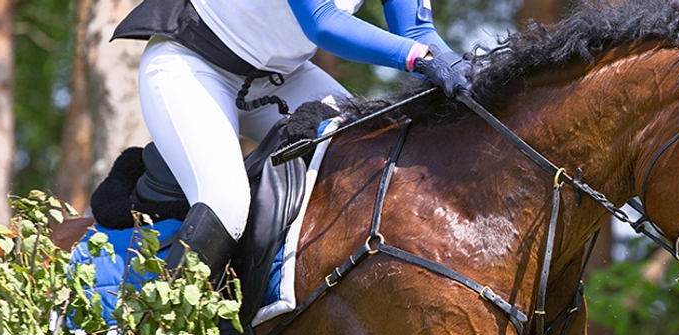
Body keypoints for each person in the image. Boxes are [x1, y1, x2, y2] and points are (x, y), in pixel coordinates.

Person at [112, 0, 471, 281]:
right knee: (227, 203)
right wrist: (420, 59)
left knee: (370, 155)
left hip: (282, 78)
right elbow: (322, 22)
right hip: (191, 64)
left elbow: (417, 28)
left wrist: (462, 67)